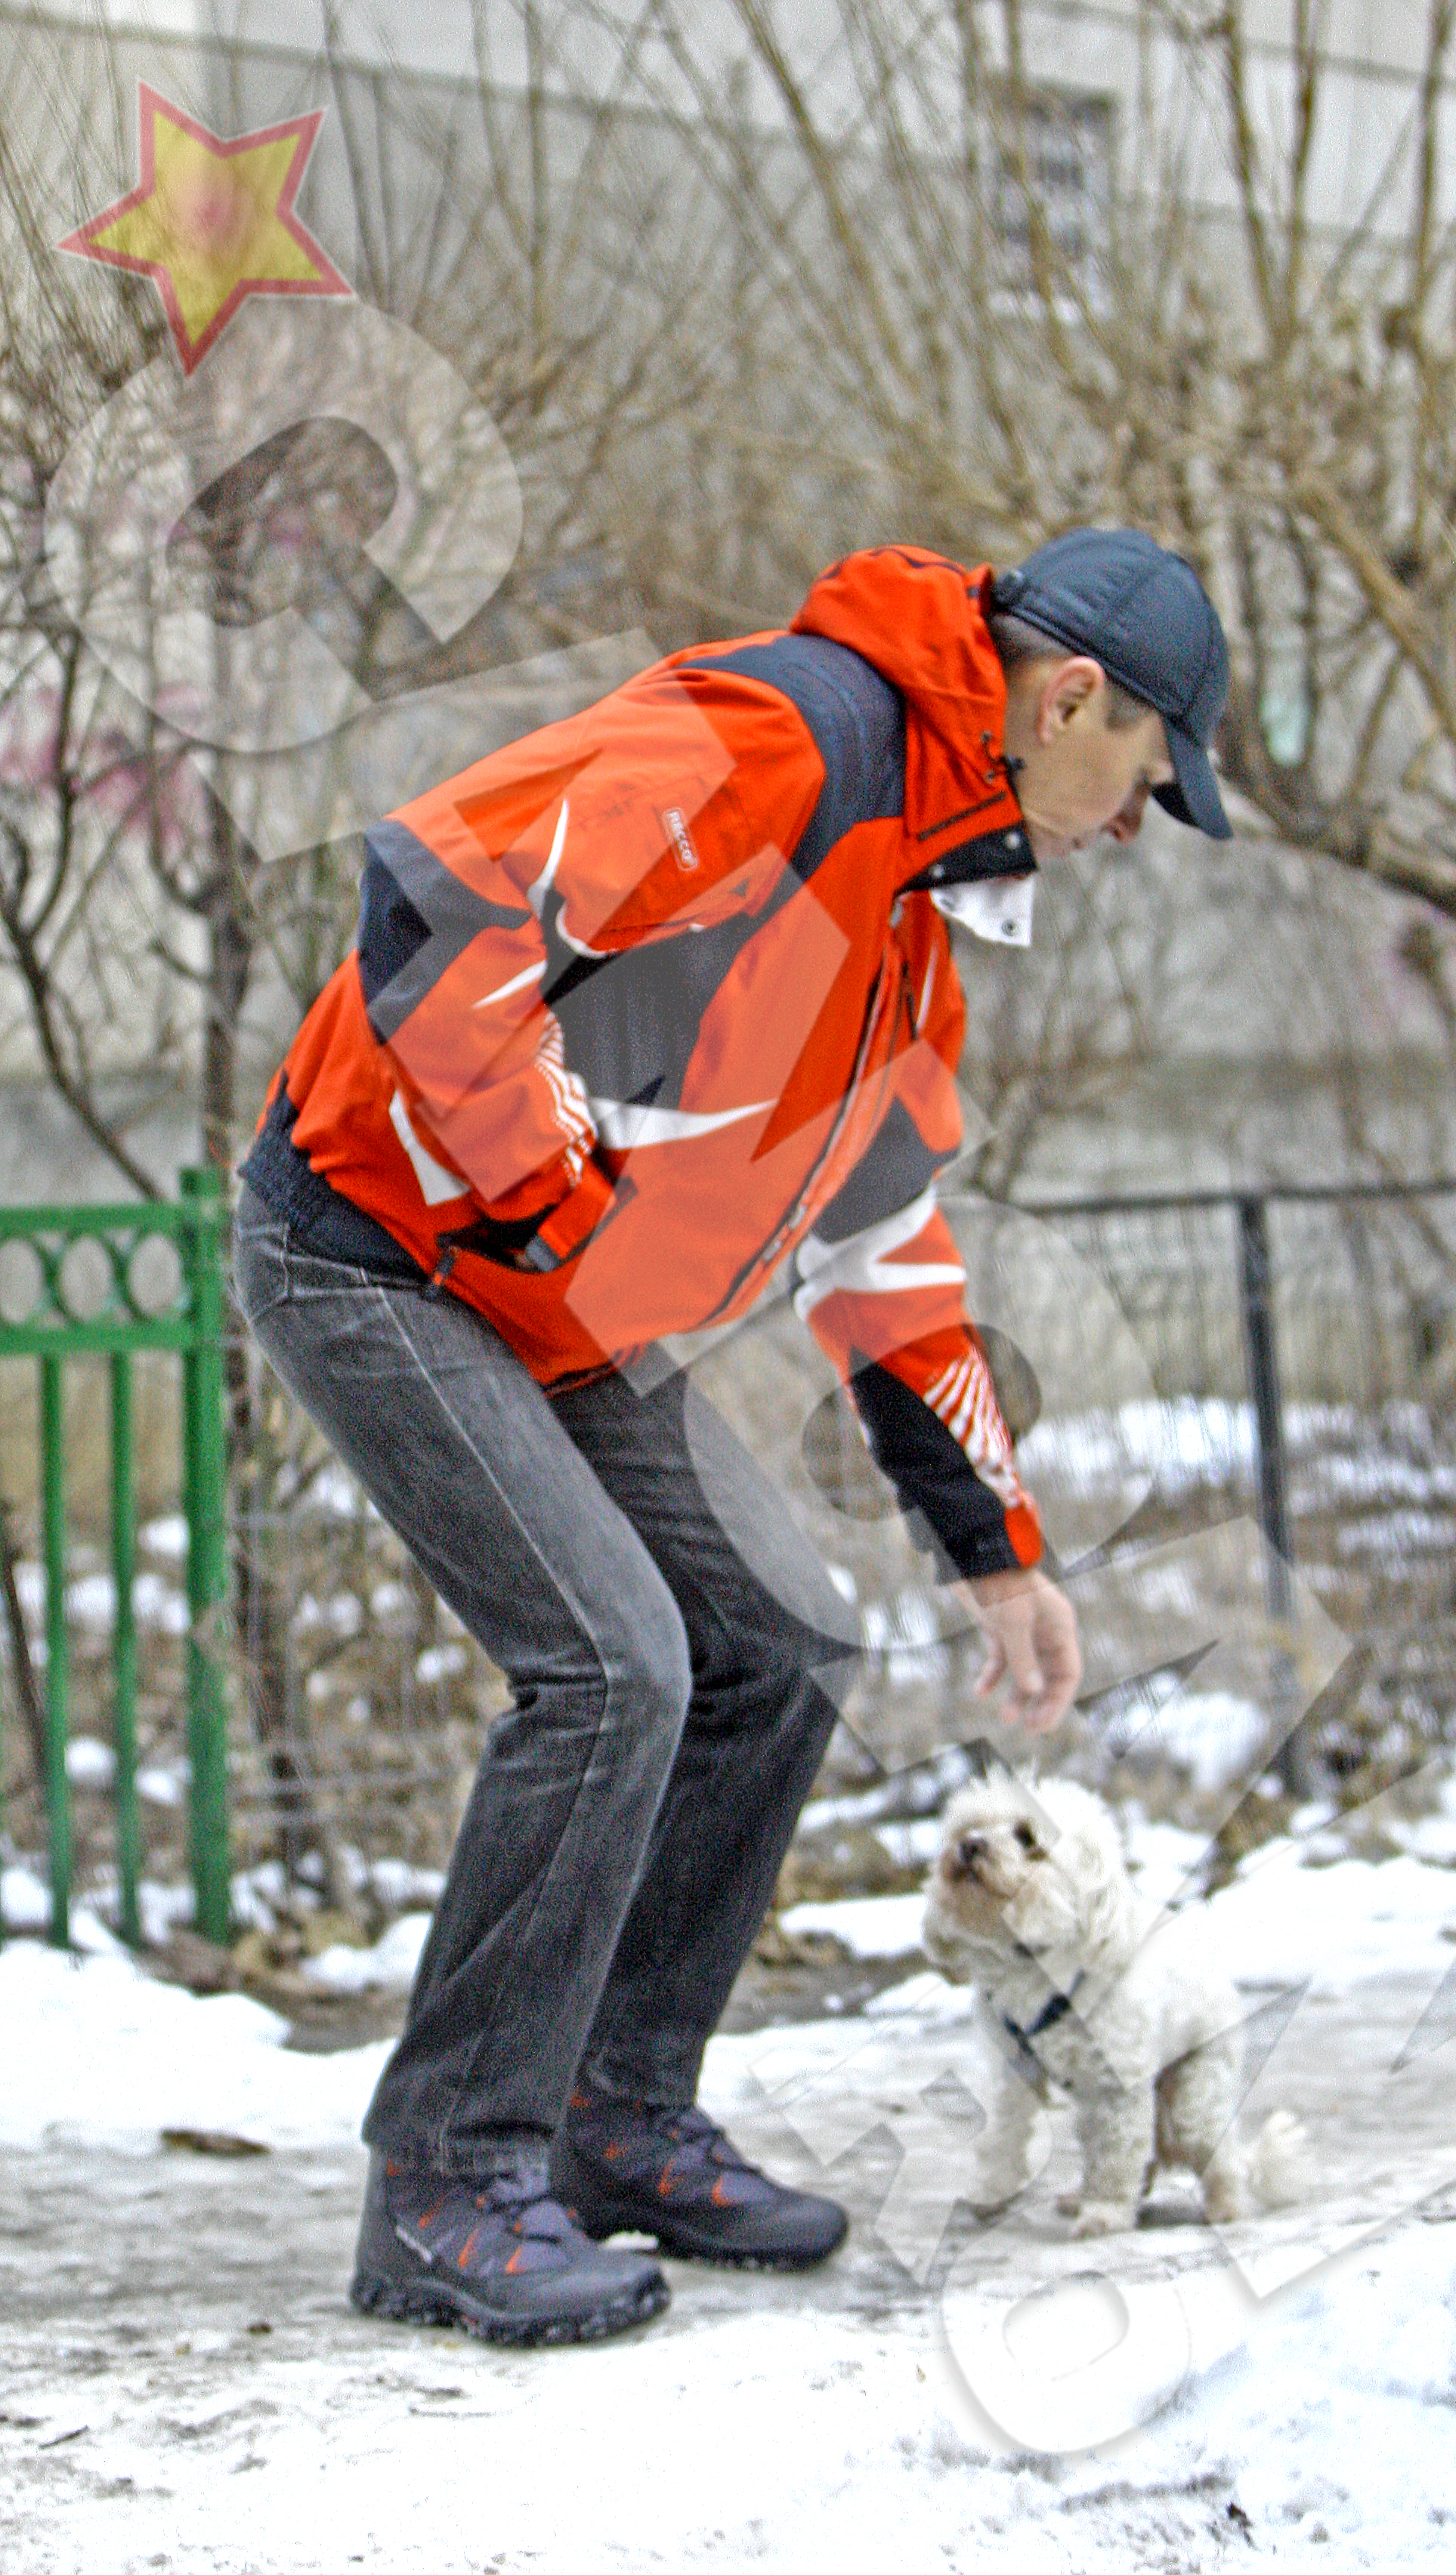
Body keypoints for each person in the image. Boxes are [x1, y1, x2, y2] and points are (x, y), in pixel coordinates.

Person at [232, 528, 1232, 2345]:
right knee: (615, 1667)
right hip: (376, 1247)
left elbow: (889, 1263)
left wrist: (997, 1551)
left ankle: (615, 2117)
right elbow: (438, 901)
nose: (1134, 821)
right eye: (1148, 779)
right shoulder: (793, 738)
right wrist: (558, 1198)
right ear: (1073, 698)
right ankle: (448, 2178)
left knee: (780, 1638)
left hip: (540, 1303)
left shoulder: (915, 932)